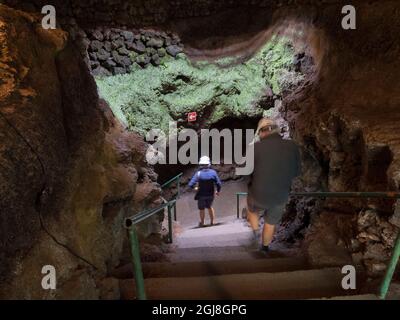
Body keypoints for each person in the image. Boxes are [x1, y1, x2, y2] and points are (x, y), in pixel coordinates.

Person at [246, 118, 301, 252]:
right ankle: (265, 247)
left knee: (251, 208)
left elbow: (247, 171)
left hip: (259, 192)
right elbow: (296, 172)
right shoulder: (292, 146)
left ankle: (255, 231)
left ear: (262, 133)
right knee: (271, 222)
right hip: (281, 193)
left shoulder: (255, 148)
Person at [188, 156, 222, 227]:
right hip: (210, 195)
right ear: (208, 164)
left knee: (201, 209)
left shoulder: (198, 174)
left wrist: (195, 188)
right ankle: (212, 222)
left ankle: (202, 223)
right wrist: (217, 191)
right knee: (210, 206)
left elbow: (190, 184)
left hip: (201, 195)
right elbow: (219, 183)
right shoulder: (213, 172)